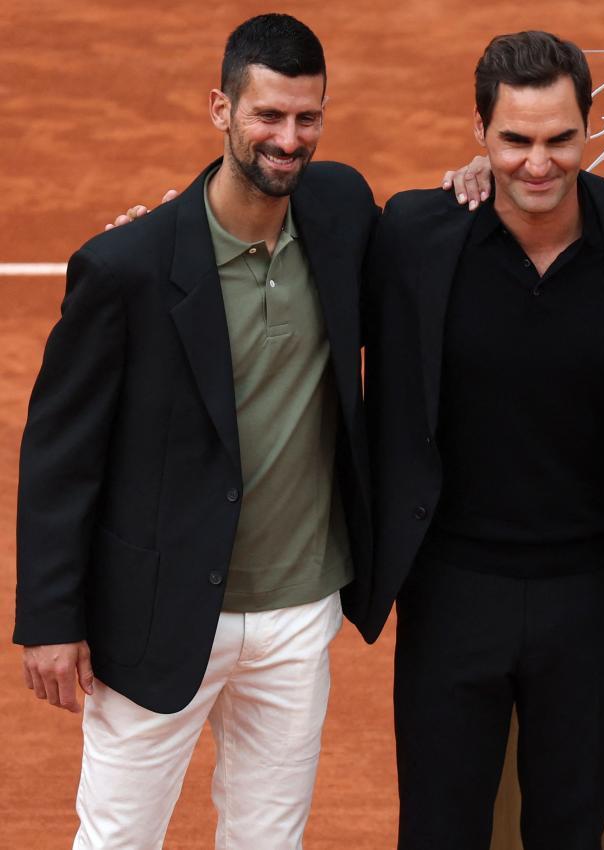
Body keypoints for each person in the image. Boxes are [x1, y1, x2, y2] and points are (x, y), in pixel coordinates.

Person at [14, 14, 378, 848]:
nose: (289, 139)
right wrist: (51, 617)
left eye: (308, 117)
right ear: (221, 109)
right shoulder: (128, 266)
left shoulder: (342, 209)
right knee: (117, 837)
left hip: (298, 608)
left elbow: (436, 244)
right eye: (268, 115)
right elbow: (61, 453)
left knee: (268, 839)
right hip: (159, 609)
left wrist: (488, 173)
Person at [361, 31, 604, 850]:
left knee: (570, 831)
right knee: (438, 832)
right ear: (478, 131)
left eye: (560, 139)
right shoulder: (414, 233)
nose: (538, 164)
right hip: (451, 591)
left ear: (590, 127)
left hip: (594, 595)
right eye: (514, 140)